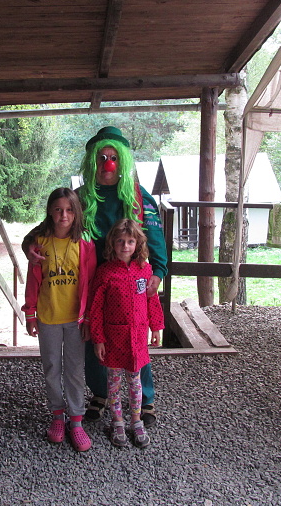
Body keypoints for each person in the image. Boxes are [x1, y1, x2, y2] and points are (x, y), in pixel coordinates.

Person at [23, 126, 168, 426]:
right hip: (92, 284)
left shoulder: (139, 198)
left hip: (130, 282)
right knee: (94, 337)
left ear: (122, 160)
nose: (107, 164)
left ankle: (145, 399)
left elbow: (154, 237)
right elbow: (48, 226)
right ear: (93, 162)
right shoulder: (79, 198)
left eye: (113, 158)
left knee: (135, 337)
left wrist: (158, 271)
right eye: (101, 158)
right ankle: (101, 393)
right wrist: (28, 245)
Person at [21, 188, 97, 452]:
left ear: (76, 213)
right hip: (48, 317)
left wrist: (89, 319)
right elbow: (33, 280)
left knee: (74, 370)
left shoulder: (85, 244)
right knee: (52, 367)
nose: (64, 215)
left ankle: (76, 421)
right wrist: (30, 313)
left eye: (69, 210)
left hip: (76, 321)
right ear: (50, 212)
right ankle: (57, 416)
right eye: (58, 210)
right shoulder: (39, 243)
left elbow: (91, 283)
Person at [89, 219, 164, 448]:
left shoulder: (145, 270)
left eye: (130, 241)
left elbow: (152, 300)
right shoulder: (105, 273)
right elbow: (96, 309)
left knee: (135, 381)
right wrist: (98, 339)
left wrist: (156, 327)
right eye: (120, 241)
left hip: (138, 338)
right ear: (112, 243)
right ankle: (118, 421)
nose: (125, 246)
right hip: (113, 338)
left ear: (137, 244)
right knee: (113, 382)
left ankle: (136, 420)